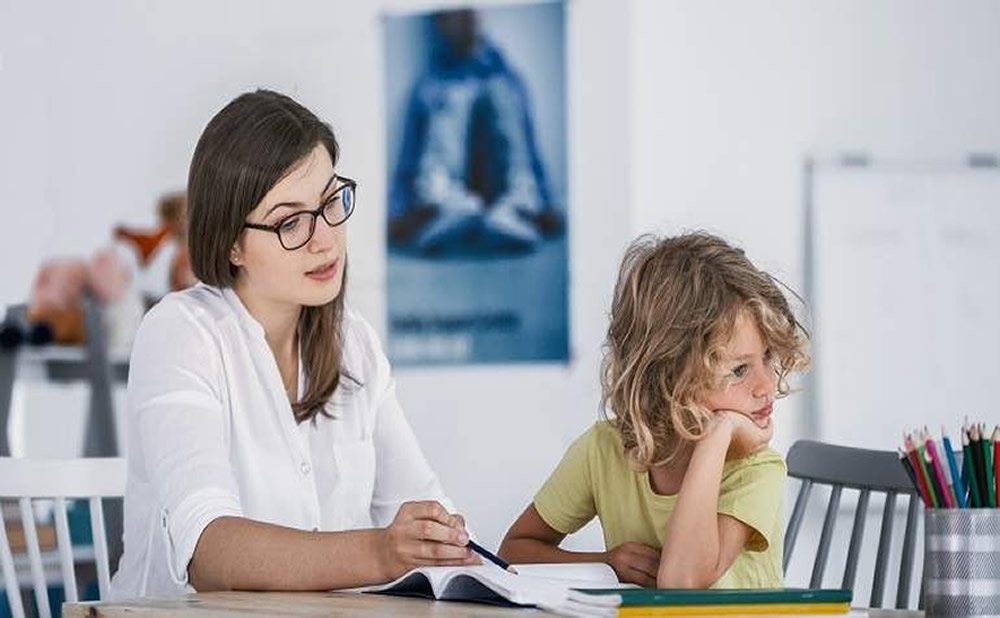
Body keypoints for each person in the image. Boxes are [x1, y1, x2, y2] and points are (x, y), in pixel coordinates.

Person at [111, 90, 477, 598]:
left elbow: (422, 507)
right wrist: (380, 551)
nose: (324, 238)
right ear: (232, 244)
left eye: (329, 203)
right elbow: (209, 552)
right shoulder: (180, 334)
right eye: (290, 222)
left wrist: (437, 540)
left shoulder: (353, 343)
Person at [498, 232, 810, 588]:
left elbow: (683, 581)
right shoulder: (603, 450)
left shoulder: (756, 469)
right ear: (668, 376)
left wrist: (718, 434)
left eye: (767, 356)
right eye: (739, 370)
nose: (766, 385)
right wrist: (605, 564)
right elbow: (513, 551)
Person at [388, 8, 562, 256]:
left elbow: (529, 148)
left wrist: (547, 202)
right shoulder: (430, 83)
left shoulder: (508, 78)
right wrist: (398, 210)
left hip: (500, 191)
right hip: (452, 195)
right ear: (440, 23)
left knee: (499, 93)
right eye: (457, 12)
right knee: (452, 96)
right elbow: (410, 153)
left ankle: (517, 206)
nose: (469, 16)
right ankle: (442, 207)